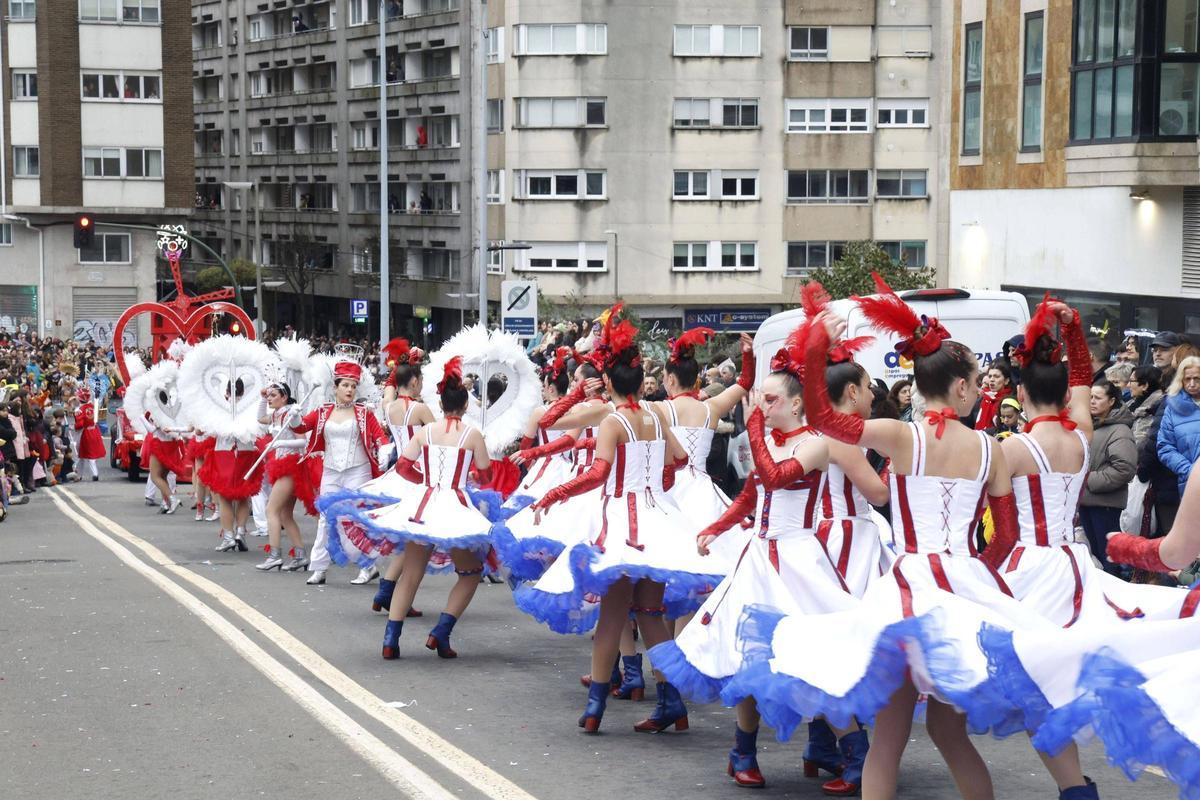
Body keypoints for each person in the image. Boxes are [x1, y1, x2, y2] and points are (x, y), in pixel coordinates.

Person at [517, 306, 723, 734]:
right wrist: (655, 485)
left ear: (607, 381)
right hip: (659, 520)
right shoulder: (656, 414)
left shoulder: (612, 420)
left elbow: (585, 462)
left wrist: (554, 494)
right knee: (648, 612)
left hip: (619, 523)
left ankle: (596, 707)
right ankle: (671, 703)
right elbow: (680, 459)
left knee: (613, 614)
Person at [356, 356, 495, 660]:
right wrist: (465, 475)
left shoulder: (425, 432)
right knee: (471, 572)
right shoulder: (472, 435)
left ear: (441, 402)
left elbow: (403, 467)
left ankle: (390, 640)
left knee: (411, 573)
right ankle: (440, 633)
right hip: (454, 508)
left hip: (423, 505)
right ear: (466, 405)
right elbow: (486, 476)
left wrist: (428, 480)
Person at [293, 360, 390, 586]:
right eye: (345, 385)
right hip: (331, 471)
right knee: (326, 519)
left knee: (357, 519)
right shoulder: (323, 412)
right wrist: (296, 415)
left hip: (359, 470)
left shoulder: (364, 414)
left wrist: (385, 449)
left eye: (353, 386)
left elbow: (379, 436)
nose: (349, 390)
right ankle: (319, 567)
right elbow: (300, 428)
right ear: (335, 387)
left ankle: (368, 566)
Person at [254, 382, 317, 572]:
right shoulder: (276, 414)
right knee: (283, 514)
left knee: (271, 510)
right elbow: (260, 418)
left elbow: (302, 442)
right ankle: (300, 556)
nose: (270, 398)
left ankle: (274, 556)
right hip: (283, 465)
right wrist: (261, 398)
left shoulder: (291, 413)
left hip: (290, 466)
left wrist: (278, 442)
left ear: (284, 397)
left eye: (273, 395)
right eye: (269, 395)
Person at [1078, 380, 1136, 575]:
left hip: (1105, 504)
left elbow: (1124, 468)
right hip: (1087, 501)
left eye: (1097, 398)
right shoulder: (1089, 427)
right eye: (1090, 397)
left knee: (1109, 560)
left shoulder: (1120, 430)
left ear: (1111, 401)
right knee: (1097, 557)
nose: (1092, 402)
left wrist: (1088, 480)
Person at [1156, 355, 1200, 499]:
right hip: (1190, 485)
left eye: (1197, 378)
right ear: (1181, 380)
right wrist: (1189, 471)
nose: (1192, 383)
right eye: (1187, 379)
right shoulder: (1173, 408)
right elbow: (1165, 447)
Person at [1125, 365, 1163, 449]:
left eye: (1131, 381)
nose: (1128, 385)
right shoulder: (1131, 404)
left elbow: (1139, 443)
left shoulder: (1156, 409)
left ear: (1144, 385)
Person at [72, 387, 105, 481]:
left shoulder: (80, 410)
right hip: (94, 431)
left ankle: (79, 474)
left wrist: (73, 426)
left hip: (84, 433)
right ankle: (95, 473)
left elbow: (79, 425)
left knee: (81, 454)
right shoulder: (92, 406)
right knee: (92, 454)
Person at [975, 359, 1014, 431]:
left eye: (996, 376)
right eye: (990, 376)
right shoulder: (981, 400)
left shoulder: (1012, 401)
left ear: (1006, 381)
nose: (992, 380)